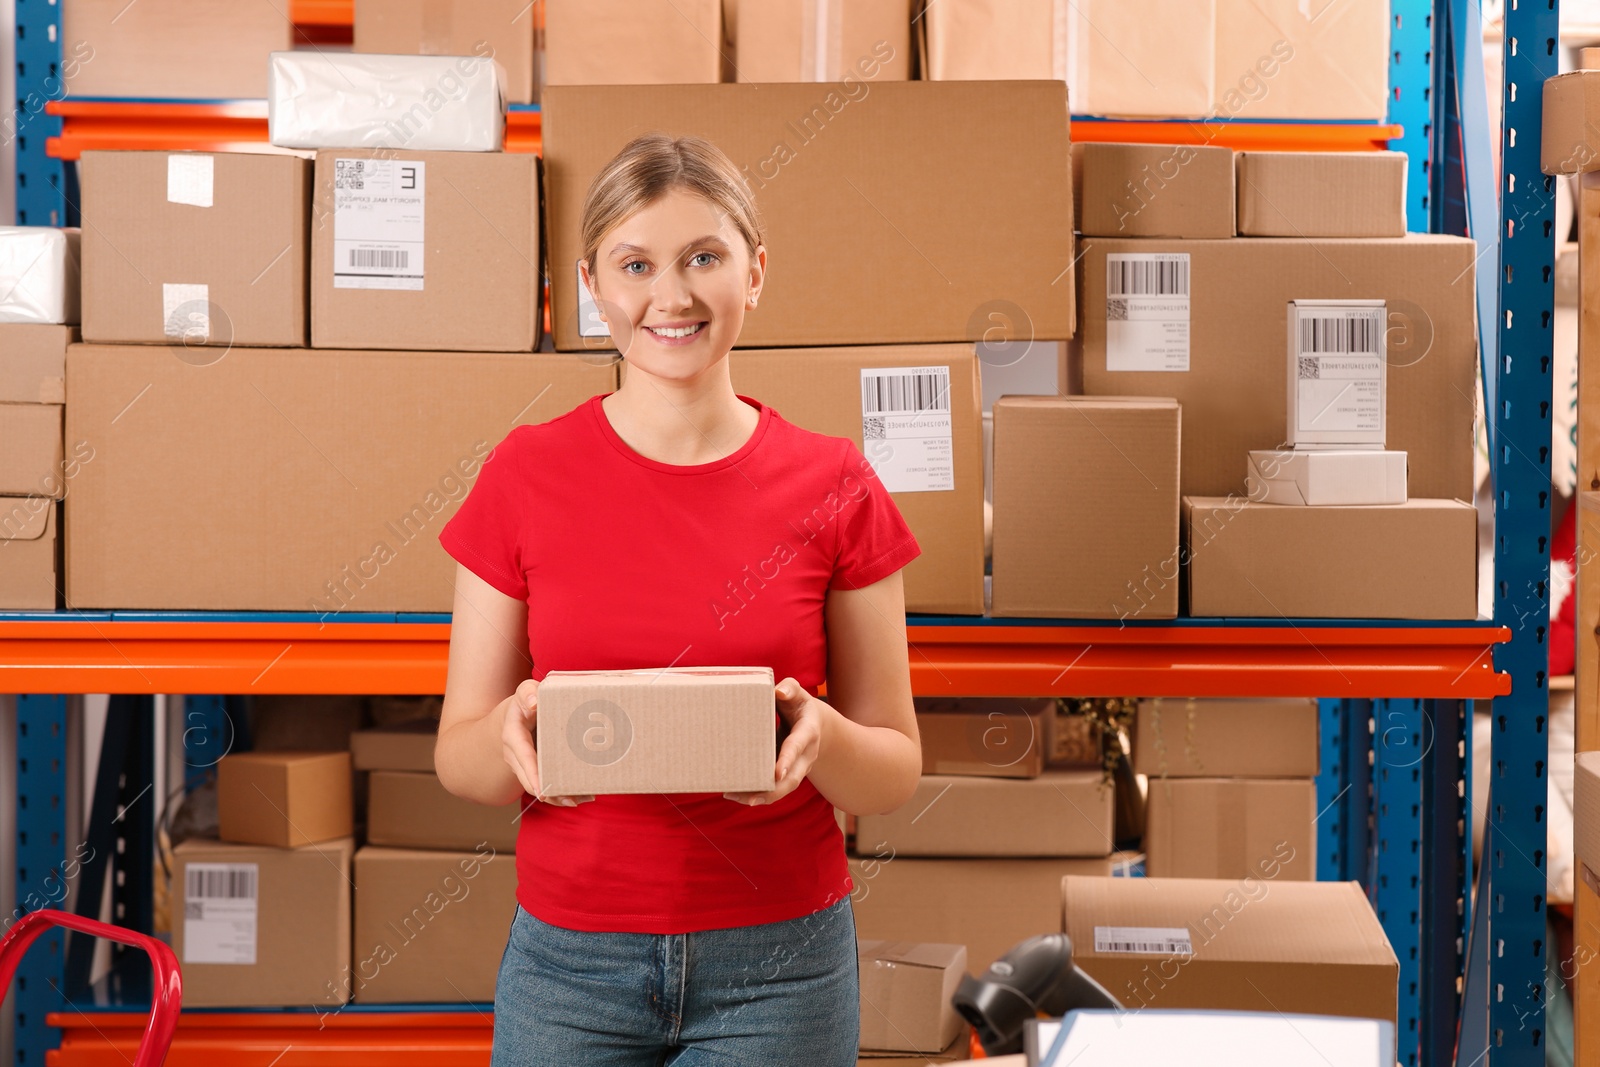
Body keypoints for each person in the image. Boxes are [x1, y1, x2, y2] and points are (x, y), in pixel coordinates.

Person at [433, 131, 925, 1066]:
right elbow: (462, 759)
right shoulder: (526, 474)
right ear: (592, 285)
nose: (673, 295)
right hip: (570, 966)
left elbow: (894, 769)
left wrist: (819, 737)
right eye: (636, 264)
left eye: (705, 257)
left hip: (780, 965)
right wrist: (507, 738)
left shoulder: (836, 483)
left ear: (755, 272)